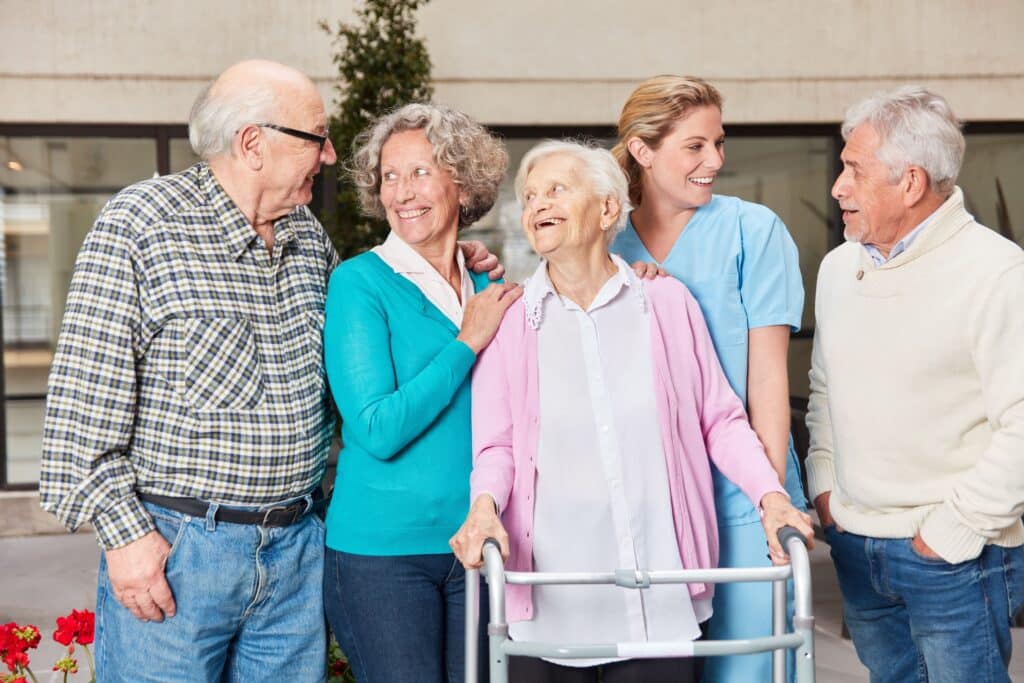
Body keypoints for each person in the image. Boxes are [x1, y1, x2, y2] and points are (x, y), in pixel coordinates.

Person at [37, 61, 501, 682]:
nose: (332, 155)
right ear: (253, 143)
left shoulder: (310, 241)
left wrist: (457, 260)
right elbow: (78, 411)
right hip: (179, 550)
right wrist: (127, 541)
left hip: (295, 552)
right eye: (317, 136)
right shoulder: (143, 224)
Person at [449, 140, 813, 683]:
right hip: (549, 600)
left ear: (608, 209)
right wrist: (484, 507)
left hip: (658, 596)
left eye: (556, 190)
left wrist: (772, 497)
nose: (537, 205)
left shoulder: (666, 304)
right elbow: (496, 446)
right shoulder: (513, 321)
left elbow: (720, 419)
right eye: (528, 197)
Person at [805, 86, 1024, 683]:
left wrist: (951, 532)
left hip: (955, 556)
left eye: (854, 170)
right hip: (855, 541)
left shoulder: (998, 272)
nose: (837, 187)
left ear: (910, 183)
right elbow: (824, 389)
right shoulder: (838, 268)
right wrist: (826, 489)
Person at [609, 75, 809, 682]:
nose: (715, 161)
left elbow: (768, 381)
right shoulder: (604, 239)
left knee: (750, 670)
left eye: (718, 144)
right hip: (652, 502)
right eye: (695, 146)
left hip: (742, 494)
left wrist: (769, 499)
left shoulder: (755, 231)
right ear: (643, 151)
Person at [322, 102, 521, 683]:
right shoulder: (359, 283)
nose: (401, 192)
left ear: (462, 182)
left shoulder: (488, 282)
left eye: (420, 172)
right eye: (389, 176)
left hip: (480, 545)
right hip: (382, 554)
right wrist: (465, 343)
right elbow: (377, 427)